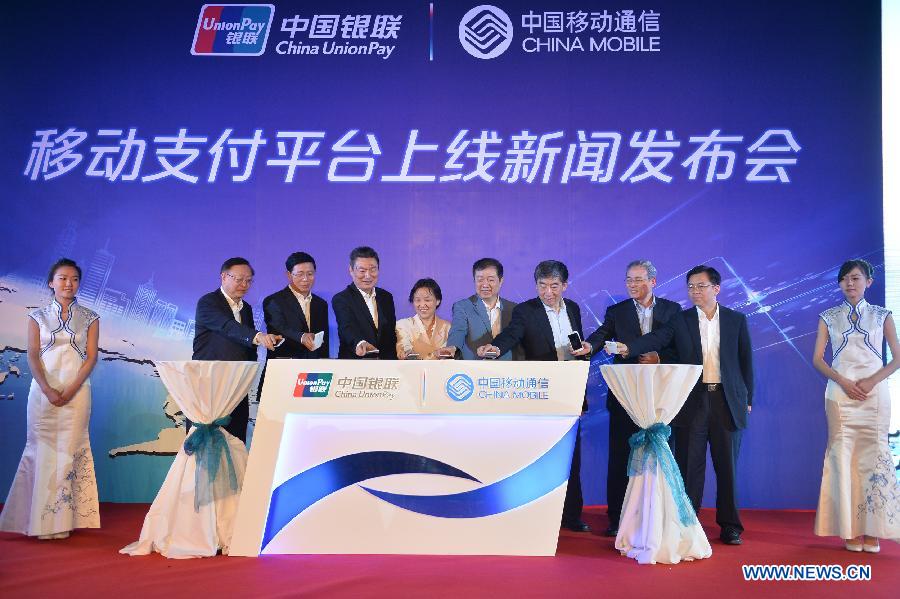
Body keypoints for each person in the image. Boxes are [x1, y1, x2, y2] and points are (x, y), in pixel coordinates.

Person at [618, 265, 753, 545]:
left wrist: (748, 399)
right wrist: (631, 348)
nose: (694, 291)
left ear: (716, 288)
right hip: (693, 401)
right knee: (689, 467)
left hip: (727, 402)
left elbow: (745, 362)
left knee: (728, 468)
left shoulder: (736, 320)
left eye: (701, 286)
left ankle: (730, 526)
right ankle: (689, 524)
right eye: (691, 287)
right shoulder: (681, 320)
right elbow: (660, 341)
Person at [478, 260, 593, 532]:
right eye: (542, 286)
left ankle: (572, 515)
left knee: (572, 455)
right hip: (543, 392)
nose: (548, 292)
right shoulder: (526, 310)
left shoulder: (573, 309)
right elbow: (512, 334)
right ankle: (540, 512)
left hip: (572, 389)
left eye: (554, 286)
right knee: (541, 454)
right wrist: (495, 348)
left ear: (565, 285)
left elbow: (581, 344)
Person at [0, 259, 100, 539]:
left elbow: (91, 357)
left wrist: (70, 390)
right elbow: (32, 355)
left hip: (78, 392)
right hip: (42, 392)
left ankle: (62, 521)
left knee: (70, 449)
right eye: (63, 278)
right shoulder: (37, 316)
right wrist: (47, 388)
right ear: (51, 282)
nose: (69, 283)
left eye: (74, 279)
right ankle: (37, 520)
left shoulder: (91, 317)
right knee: (41, 450)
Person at [583, 259, 681, 537]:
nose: (632, 285)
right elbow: (602, 335)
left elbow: (682, 348)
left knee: (660, 457)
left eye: (638, 280)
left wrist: (659, 357)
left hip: (661, 399)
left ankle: (658, 516)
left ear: (653, 281)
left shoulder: (672, 311)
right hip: (626, 397)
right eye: (628, 280)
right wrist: (590, 345)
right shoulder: (617, 311)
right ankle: (616, 517)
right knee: (620, 458)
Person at [812, 259, 900, 553]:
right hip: (840, 395)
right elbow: (818, 360)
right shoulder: (828, 316)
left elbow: (897, 359)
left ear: (869, 282)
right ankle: (849, 529)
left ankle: (873, 530)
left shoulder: (882, 315)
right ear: (839, 284)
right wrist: (844, 382)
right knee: (842, 458)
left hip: (874, 397)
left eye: (856, 278)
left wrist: (871, 381)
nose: (850, 283)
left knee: (874, 457)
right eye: (845, 279)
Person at [192, 257, 280, 442]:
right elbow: (228, 327)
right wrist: (259, 336)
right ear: (223, 276)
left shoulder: (245, 308)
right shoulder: (208, 302)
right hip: (211, 385)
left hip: (237, 386)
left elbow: (246, 345)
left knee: (236, 441)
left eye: (248, 281)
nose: (244, 285)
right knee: (206, 446)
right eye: (239, 279)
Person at [446, 258, 522, 360]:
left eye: (491, 280)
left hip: (507, 372)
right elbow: (458, 331)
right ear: (474, 280)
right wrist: (452, 347)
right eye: (480, 279)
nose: (485, 285)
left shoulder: (514, 309)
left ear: (501, 281)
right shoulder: (463, 306)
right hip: (474, 370)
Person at [332, 246, 398, 359]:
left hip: (386, 366)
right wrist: (359, 343)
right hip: (355, 364)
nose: (368, 276)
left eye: (373, 270)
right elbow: (346, 328)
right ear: (351, 270)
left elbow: (391, 332)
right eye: (362, 271)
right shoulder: (341, 299)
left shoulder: (386, 297)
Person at [262, 252, 329, 360]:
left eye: (310, 274)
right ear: (289, 275)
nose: (305, 279)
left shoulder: (320, 304)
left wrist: (326, 365)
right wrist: (302, 337)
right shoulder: (274, 301)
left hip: (313, 368)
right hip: (284, 366)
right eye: (300, 274)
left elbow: (323, 341)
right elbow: (279, 328)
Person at [396, 278, 453, 360]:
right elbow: (403, 346)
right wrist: (407, 353)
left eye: (427, 300)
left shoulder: (448, 327)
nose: (422, 304)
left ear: (438, 301)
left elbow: (449, 354)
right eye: (417, 300)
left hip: (440, 371)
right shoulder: (403, 325)